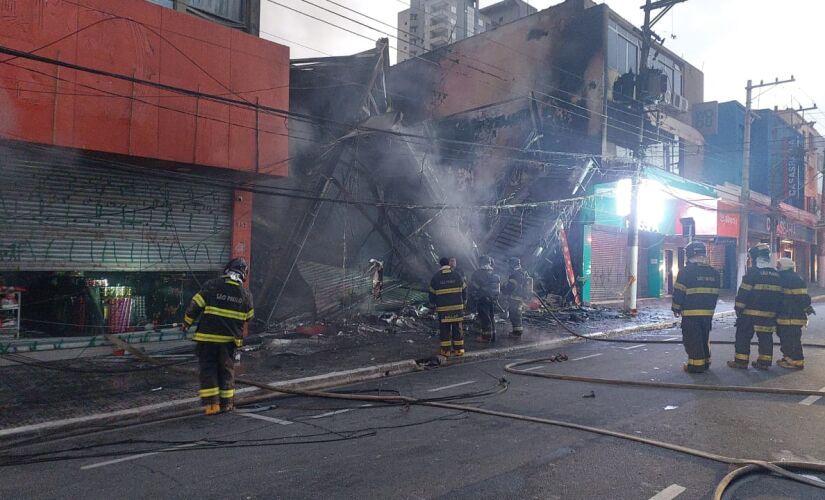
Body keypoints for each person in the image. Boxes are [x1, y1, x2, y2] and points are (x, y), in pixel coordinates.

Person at [183, 257, 255, 415]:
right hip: (229, 341)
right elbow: (249, 316)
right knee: (226, 371)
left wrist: (186, 323)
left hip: (208, 339)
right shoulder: (245, 294)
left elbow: (195, 305)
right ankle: (227, 404)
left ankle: (212, 406)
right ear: (243, 275)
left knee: (208, 370)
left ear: (227, 270)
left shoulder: (212, 285)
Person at [727, 243, 782, 370]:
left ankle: (741, 362)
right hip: (769, 315)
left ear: (755, 257)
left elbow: (743, 293)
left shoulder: (752, 273)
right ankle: (764, 363)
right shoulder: (776, 274)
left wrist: (738, 309)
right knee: (765, 338)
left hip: (749, 315)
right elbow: (780, 297)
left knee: (743, 336)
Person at [671, 242, 720, 373]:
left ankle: (696, 365)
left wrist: (676, 308)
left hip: (690, 313)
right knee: (704, 337)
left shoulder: (686, 272)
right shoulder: (714, 273)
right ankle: (706, 361)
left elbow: (679, 292)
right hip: (708, 313)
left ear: (690, 255)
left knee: (692, 338)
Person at [776, 257, 812, 370]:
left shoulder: (789, 278)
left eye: (779, 265)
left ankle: (796, 360)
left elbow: (801, 297)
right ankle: (788, 358)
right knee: (786, 338)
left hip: (790, 316)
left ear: (784, 266)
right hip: (788, 315)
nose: (777, 268)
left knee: (791, 339)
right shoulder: (793, 277)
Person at [429, 257, 467, 357]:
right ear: (449, 264)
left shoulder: (436, 277)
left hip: (443, 310)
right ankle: (459, 351)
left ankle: (446, 351)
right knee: (457, 329)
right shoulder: (457, 275)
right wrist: (465, 302)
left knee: (445, 330)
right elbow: (464, 290)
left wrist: (432, 306)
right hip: (457, 308)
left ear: (440, 265)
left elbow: (432, 294)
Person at [469, 255, 501, 343]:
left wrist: (474, 297)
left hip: (482, 299)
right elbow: (497, 289)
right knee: (491, 317)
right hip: (492, 299)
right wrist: (495, 298)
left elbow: (473, 287)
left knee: (485, 318)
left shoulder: (477, 273)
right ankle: (493, 336)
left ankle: (486, 337)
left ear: (481, 262)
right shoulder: (494, 273)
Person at [502, 257, 532, 338]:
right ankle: (517, 331)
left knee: (515, 315)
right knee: (516, 314)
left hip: (515, 298)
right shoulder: (523, 272)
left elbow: (510, 287)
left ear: (512, 265)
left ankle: (517, 333)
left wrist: (503, 289)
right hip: (520, 297)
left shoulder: (515, 275)